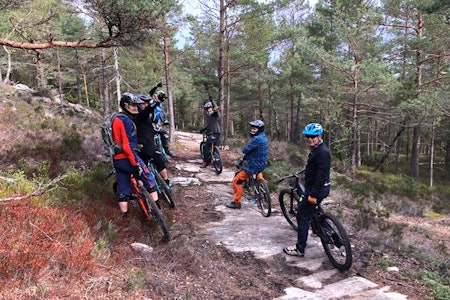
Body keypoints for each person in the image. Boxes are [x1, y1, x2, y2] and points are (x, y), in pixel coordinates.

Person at [283, 122, 331, 257]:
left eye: (313, 136)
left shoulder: (322, 152)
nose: (310, 139)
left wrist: (313, 195)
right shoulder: (318, 150)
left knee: (302, 216)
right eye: (308, 136)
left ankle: (300, 248)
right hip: (318, 188)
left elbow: (322, 175)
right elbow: (317, 168)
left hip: (317, 189)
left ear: (319, 136)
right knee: (315, 211)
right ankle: (328, 231)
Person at [112, 92, 161, 220]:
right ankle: (158, 213)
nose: (135, 107)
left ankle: (124, 218)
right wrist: (135, 164)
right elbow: (127, 146)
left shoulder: (116, 118)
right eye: (132, 105)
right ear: (124, 105)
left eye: (136, 105)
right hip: (128, 158)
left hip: (117, 160)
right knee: (150, 180)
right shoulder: (126, 121)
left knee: (123, 189)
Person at [226, 120, 269, 209]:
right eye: (252, 128)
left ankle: (236, 202)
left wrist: (243, 157)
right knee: (259, 176)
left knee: (236, 181)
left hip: (253, 165)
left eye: (255, 128)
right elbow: (252, 151)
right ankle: (263, 191)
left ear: (259, 129)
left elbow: (245, 150)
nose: (252, 130)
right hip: (262, 164)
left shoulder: (256, 139)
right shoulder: (264, 137)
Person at [134, 93, 171, 186]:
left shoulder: (136, 115)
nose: (146, 105)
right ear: (139, 104)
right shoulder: (141, 114)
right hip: (146, 145)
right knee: (160, 159)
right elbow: (148, 110)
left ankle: (147, 187)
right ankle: (166, 183)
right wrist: (157, 102)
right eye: (144, 103)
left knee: (144, 166)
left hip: (138, 146)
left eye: (147, 103)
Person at [149, 85, 176, 158]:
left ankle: (167, 150)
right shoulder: (151, 102)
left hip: (156, 125)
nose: (161, 100)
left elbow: (160, 114)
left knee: (164, 133)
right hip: (149, 124)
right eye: (160, 97)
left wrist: (164, 120)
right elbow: (149, 94)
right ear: (156, 96)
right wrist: (155, 87)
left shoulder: (159, 105)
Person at [199, 100, 221, 168]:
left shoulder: (214, 114)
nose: (209, 109)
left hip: (214, 133)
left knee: (206, 146)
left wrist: (213, 102)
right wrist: (203, 129)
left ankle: (206, 161)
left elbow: (217, 110)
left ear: (212, 108)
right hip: (216, 133)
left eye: (210, 108)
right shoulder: (209, 116)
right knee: (213, 148)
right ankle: (215, 160)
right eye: (207, 108)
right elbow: (209, 125)